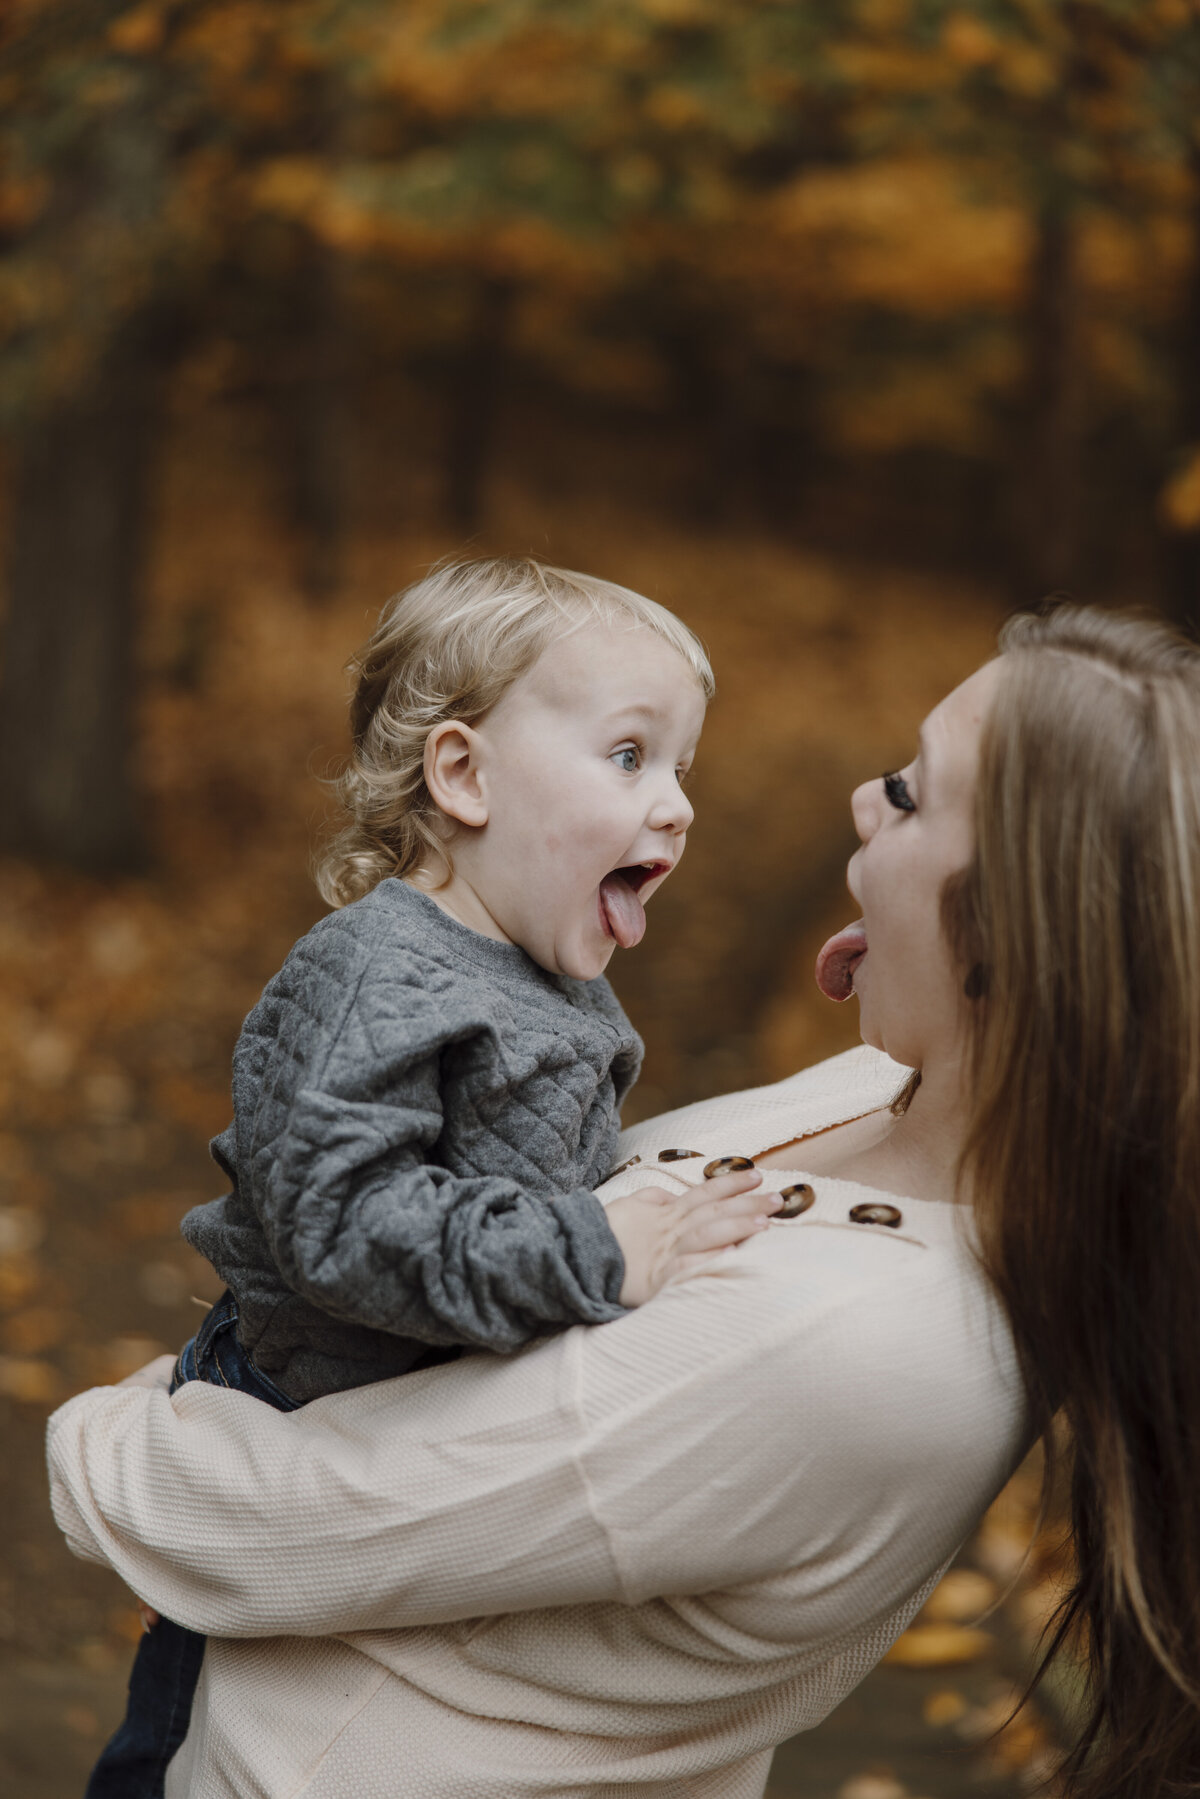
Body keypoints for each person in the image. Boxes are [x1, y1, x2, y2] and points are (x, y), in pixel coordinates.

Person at [49, 604, 1200, 1799]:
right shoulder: (885, 1089)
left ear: (1016, 928)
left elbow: (299, 1521)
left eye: (908, 797)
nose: (864, 798)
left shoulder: (858, 1347)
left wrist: (105, 1431)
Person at [84, 556, 775, 1797]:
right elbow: (342, 1226)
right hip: (296, 1418)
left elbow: (528, 1163)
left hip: (414, 1424)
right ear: (463, 775)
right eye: (630, 757)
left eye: (684, 769)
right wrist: (598, 1249)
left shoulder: (543, 973)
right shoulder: (374, 975)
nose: (674, 806)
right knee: (185, 1732)